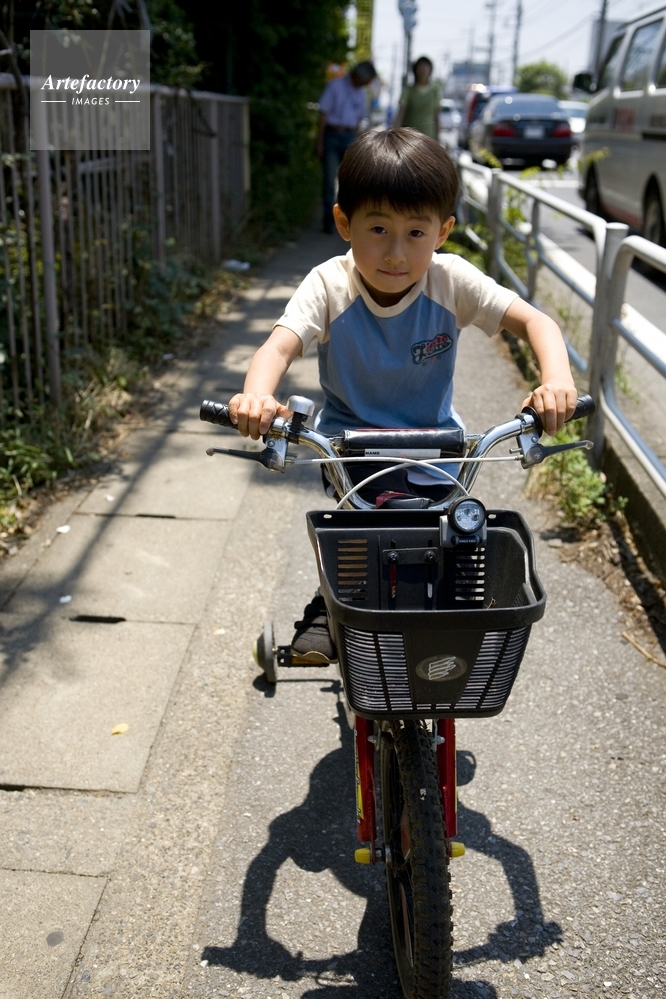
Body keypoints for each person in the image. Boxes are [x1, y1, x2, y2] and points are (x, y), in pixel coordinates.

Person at [228, 129, 577, 659]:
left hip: (438, 448)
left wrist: (556, 382)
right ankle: (331, 604)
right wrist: (257, 396)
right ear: (344, 223)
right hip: (351, 449)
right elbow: (278, 347)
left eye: (416, 231)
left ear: (443, 232)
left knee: (457, 549)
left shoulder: (450, 280)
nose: (396, 253)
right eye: (378, 229)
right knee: (360, 539)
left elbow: (537, 322)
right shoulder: (329, 285)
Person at [316, 60, 377, 234]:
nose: (365, 84)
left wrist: (358, 143)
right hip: (332, 134)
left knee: (350, 181)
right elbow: (323, 114)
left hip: (350, 136)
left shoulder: (362, 93)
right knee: (329, 180)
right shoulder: (335, 86)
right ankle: (327, 221)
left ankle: (348, 220)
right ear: (358, 75)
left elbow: (358, 121)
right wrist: (319, 141)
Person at [392, 56, 440, 139]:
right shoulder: (409, 91)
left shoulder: (435, 91)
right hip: (409, 137)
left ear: (430, 70)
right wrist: (395, 135)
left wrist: (438, 138)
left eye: (426, 67)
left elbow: (437, 116)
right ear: (415, 70)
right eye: (420, 67)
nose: (423, 70)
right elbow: (400, 114)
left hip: (428, 137)